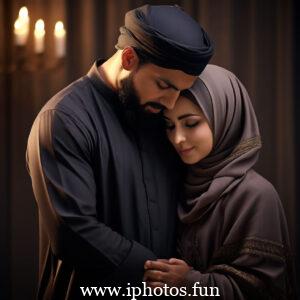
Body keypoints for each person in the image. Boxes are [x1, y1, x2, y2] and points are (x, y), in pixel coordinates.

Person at [26, 4, 214, 300]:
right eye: (164, 85)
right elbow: (73, 231)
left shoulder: (161, 119)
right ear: (129, 58)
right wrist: (159, 275)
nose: (171, 102)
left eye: (180, 90)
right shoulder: (63, 118)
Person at [144, 65, 296, 299]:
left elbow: (263, 290)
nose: (178, 138)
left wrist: (189, 282)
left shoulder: (255, 195)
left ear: (225, 116)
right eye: (170, 125)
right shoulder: (176, 182)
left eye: (191, 123)